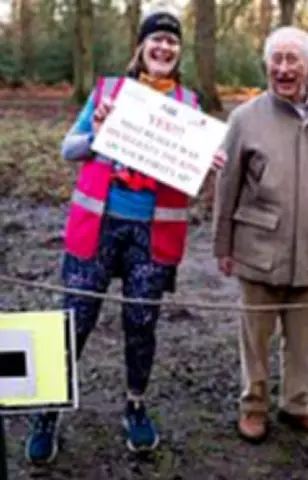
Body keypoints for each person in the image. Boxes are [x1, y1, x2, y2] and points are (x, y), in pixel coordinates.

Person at [23, 6, 226, 464]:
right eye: (156, 39)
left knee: (141, 325)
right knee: (75, 322)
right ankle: (48, 412)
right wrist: (97, 131)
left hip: (152, 237)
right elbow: (67, 149)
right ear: (142, 46)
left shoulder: (191, 107)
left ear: (179, 51)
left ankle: (135, 405)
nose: (164, 47)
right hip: (97, 228)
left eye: (172, 41)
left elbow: (191, 170)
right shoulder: (110, 92)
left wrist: (208, 162)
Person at [213, 26, 308, 445]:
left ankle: (298, 406)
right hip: (259, 249)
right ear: (266, 65)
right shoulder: (245, 118)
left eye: (291, 59)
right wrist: (222, 247)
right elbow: (227, 187)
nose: (282, 68)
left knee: (302, 338)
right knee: (256, 339)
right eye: (275, 60)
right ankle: (253, 408)